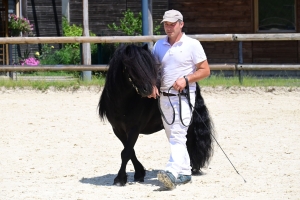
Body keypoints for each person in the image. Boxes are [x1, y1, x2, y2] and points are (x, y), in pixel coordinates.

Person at [148, 10, 210, 190]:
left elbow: (205, 70)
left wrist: (186, 79)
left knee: (177, 135)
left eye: (172, 24)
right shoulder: (159, 46)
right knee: (174, 137)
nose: (168, 27)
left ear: (181, 24)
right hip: (164, 98)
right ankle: (185, 172)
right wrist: (153, 84)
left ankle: (171, 172)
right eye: (166, 24)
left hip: (183, 97)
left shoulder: (192, 45)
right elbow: (155, 71)